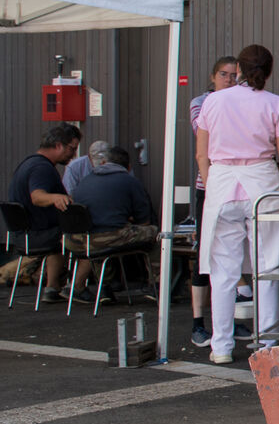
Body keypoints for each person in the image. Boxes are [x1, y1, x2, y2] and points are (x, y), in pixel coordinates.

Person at [195, 44, 279, 365]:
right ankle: (267, 342)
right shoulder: (275, 104)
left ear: (238, 68)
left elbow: (202, 154)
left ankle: (221, 346)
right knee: (267, 268)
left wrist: (212, 185)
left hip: (222, 186)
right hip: (262, 186)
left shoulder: (212, 101)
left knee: (223, 273)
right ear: (268, 72)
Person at [188, 56, 241, 346]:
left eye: (234, 75)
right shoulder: (202, 102)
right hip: (207, 186)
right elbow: (204, 133)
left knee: (234, 254)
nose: (229, 80)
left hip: (237, 186)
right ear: (213, 76)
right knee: (204, 252)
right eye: (224, 74)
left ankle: (229, 321)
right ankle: (199, 322)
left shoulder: (243, 100)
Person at [67, 145, 160, 298]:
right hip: (106, 238)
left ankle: (105, 287)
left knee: (100, 239)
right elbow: (144, 221)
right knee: (156, 234)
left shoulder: (85, 180)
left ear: (103, 163)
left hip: (76, 240)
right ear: (128, 167)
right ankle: (156, 284)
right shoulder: (130, 182)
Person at [2, 122, 81, 293]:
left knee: (59, 232)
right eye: (71, 149)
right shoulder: (42, 168)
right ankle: (78, 287)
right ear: (58, 145)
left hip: (21, 236)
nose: (74, 155)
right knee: (85, 236)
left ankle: (52, 287)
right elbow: (37, 196)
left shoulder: (27, 164)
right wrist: (56, 197)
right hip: (37, 236)